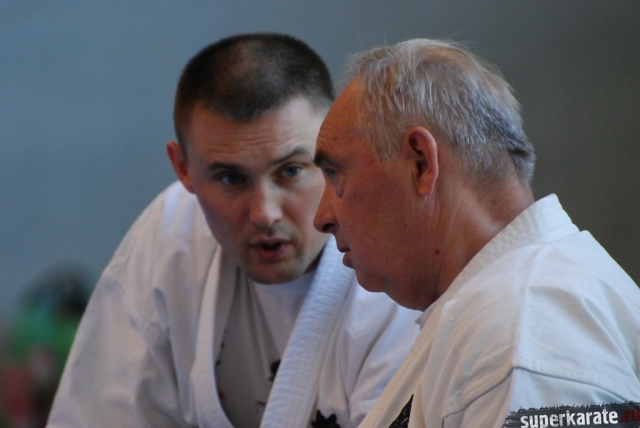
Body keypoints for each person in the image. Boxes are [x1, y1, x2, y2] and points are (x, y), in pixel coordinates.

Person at [46, 33, 420, 428]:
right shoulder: (171, 242)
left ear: (331, 150)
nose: (264, 213)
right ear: (184, 169)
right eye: (231, 179)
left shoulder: (388, 275)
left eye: (291, 171)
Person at [313, 38, 640, 428]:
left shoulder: (522, 336)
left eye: (335, 174)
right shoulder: (508, 314)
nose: (322, 217)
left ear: (421, 164)